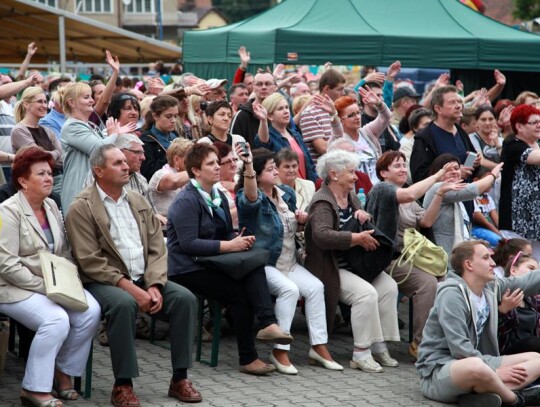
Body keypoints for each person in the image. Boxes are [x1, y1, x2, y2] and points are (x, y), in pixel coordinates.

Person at [65, 144, 202, 405]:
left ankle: (180, 378)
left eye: (124, 161)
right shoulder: (82, 207)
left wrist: (155, 285)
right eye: (117, 163)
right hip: (103, 281)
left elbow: (156, 249)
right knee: (123, 304)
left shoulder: (137, 201)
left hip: (144, 278)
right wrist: (131, 288)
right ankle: (123, 384)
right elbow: (89, 261)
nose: (126, 166)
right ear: (98, 171)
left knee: (184, 299)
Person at [167, 143, 293, 375]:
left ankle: (267, 324)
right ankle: (249, 355)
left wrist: (238, 239)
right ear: (195, 171)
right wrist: (229, 245)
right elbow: (188, 244)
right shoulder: (186, 200)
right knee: (240, 293)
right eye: (211, 164)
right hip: (188, 268)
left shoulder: (218, 196)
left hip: (213, 260)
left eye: (217, 162)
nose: (218, 167)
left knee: (252, 263)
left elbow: (224, 230)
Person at [0, 146, 100, 407]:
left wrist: (67, 282)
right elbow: (7, 265)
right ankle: (34, 388)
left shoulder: (52, 204)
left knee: (91, 311)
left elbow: (63, 251)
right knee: (56, 320)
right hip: (13, 287)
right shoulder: (7, 212)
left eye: (49, 172)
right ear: (22, 180)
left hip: (52, 284)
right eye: (40, 173)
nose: (48, 177)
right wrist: (46, 288)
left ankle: (62, 371)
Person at [236, 147, 342, 375]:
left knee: (316, 287)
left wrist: (302, 221)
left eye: (276, 167)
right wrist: (248, 166)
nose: (276, 171)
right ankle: (279, 350)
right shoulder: (248, 197)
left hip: (290, 262)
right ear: (256, 174)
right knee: (290, 291)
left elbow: (290, 227)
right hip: (264, 263)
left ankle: (318, 346)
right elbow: (252, 198)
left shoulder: (286, 193)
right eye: (270, 168)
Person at [304, 149, 400, 373]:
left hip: (355, 264)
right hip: (330, 267)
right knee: (366, 294)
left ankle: (378, 344)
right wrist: (355, 238)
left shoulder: (352, 197)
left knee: (388, 287)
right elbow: (322, 236)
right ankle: (360, 353)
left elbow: (358, 224)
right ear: (334, 174)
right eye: (351, 172)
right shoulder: (322, 202)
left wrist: (365, 219)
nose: (356, 177)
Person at [416, 240, 540, 407]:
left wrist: (493, 370)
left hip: (480, 364)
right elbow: (459, 348)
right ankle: (516, 399)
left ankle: (480, 395)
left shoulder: (491, 287)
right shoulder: (451, 294)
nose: (493, 263)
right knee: (475, 365)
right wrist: (495, 372)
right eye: (486, 257)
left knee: (536, 358)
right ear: (469, 264)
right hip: (440, 371)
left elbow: (527, 282)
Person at [366, 151, 460, 359]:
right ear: (383, 173)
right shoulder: (382, 189)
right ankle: (421, 343)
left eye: (403, 164)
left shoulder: (408, 195)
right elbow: (408, 195)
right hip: (387, 258)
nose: (402, 169)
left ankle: (441, 338)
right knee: (427, 283)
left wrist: (440, 193)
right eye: (396, 166)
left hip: (409, 257)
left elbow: (426, 221)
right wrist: (437, 177)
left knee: (445, 280)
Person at [423, 154, 503, 257]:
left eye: (456, 168)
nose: (454, 172)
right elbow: (472, 191)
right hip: (441, 254)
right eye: (448, 170)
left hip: (456, 251)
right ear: (438, 173)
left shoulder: (456, 197)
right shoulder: (437, 187)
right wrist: (493, 175)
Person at [60, 82, 117, 210]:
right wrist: (114, 134)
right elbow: (100, 150)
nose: (92, 100)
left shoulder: (90, 125)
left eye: (91, 96)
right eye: (86, 97)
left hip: (93, 190)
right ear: (71, 102)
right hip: (78, 191)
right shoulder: (72, 126)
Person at [410, 85, 479, 184]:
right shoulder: (425, 138)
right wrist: (456, 173)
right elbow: (419, 176)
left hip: (465, 196)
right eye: (452, 102)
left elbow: (470, 168)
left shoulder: (460, 131)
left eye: (459, 101)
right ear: (438, 109)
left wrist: (475, 163)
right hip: (442, 198)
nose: (458, 106)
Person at [499, 104, 540, 259]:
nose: (539, 125)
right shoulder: (512, 144)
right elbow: (535, 157)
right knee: (516, 266)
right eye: (534, 122)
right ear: (519, 126)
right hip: (516, 220)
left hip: (537, 221)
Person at [11, 86, 63, 195]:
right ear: (26, 104)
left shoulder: (47, 130)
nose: (44, 105)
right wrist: (55, 153)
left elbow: (62, 158)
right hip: (36, 185)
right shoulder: (19, 130)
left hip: (57, 178)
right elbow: (37, 158)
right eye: (40, 102)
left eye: (45, 102)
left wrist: (51, 155)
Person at [254, 92, 317, 182]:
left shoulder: (295, 134)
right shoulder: (269, 136)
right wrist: (263, 120)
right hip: (283, 191)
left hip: (304, 189)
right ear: (270, 116)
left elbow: (310, 165)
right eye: (280, 109)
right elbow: (263, 142)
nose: (286, 111)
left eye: (287, 107)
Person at [333, 89, 391, 185]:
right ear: (341, 120)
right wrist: (333, 117)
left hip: (379, 188)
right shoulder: (339, 140)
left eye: (358, 112)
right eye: (351, 115)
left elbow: (385, 117)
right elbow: (335, 130)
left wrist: (378, 103)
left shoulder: (367, 132)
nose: (357, 117)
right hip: (357, 193)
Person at [299, 68, 345, 161]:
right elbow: (323, 149)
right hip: (324, 171)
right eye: (339, 89)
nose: (343, 93)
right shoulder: (310, 113)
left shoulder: (338, 109)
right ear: (326, 89)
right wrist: (346, 146)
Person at [498, 252, 540, 356]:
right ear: (513, 270)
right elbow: (487, 333)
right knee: (534, 343)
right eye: (531, 268)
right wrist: (502, 311)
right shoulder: (499, 294)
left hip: (532, 350)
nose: (535, 274)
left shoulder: (531, 300)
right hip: (506, 353)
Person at [148, 138, 192, 220]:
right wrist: (200, 171)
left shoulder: (190, 178)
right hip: (164, 228)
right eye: (190, 157)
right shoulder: (160, 174)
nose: (194, 160)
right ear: (176, 159)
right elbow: (174, 181)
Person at [198, 101, 247, 170]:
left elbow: (247, 163)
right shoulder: (203, 143)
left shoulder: (239, 140)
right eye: (222, 114)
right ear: (210, 119)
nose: (226, 119)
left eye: (229, 116)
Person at [231, 71, 277, 145]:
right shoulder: (242, 115)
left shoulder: (281, 112)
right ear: (253, 87)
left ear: (275, 87)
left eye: (268, 84)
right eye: (259, 84)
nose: (264, 87)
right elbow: (236, 143)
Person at [140, 95, 179, 181]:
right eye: (168, 116)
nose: (173, 120)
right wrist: (170, 154)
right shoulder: (146, 140)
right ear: (155, 116)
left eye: (175, 116)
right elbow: (148, 173)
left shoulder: (175, 135)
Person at [469, 106, 503, 170]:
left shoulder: (501, 139)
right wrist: (503, 168)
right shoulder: (471, 138)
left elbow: (507, 160)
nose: (487, 123)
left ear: (495, 121)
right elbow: (481, 161)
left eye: (491, 119)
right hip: (481, 177)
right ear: (476, 122)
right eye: (483, 119)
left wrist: (497, 143)